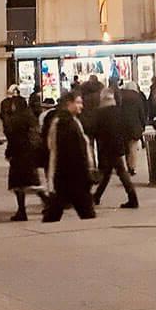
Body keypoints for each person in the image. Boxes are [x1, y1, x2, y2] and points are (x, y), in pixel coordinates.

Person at [42, 91, 96, 221]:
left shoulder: (70, 121)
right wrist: (85, 171)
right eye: (78, 102)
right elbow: (68, 151)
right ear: (68, 104)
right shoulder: (64, 123)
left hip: (67, 177)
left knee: (55, 212)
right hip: (72, 176)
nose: (81, 106)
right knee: (87, 213)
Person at [93, 90, 138, 209]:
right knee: (109, 173)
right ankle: (96, 197)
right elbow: (124, 128)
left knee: (119, 172)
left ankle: (133, 198)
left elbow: (96, 131)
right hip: (117, 146)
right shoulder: (118, 111)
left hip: (106, 147)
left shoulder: (100, 113)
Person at [3, 96, 44, 220]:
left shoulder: (15, 119)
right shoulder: (30, 116)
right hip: (30, 153)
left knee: (19, 184)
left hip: (19, 154)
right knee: (31, 182)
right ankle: (48, 202)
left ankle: (22, 211)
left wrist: (8, 152)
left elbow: (12, 138)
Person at [118, 80, 148, 176]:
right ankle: (132, 167)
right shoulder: (137, 97)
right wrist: (143, 124)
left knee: (126, 146)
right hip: (134, 126)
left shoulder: (120, 96)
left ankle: (127, 164)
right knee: (133, 147)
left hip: (122, 125)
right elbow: (141, 112)